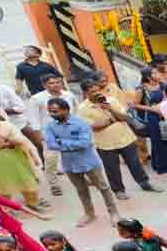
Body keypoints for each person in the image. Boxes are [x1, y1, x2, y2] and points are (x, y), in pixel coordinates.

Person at [42, 97, 117, 226]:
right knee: (81, 190)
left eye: (55, 111)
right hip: (69, 165)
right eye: (50, 111)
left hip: (89, 162)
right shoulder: (50, 126)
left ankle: (114, 213)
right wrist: (71, 144)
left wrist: (62, 141)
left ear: (65, 110)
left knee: (103, 188)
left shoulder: (81, 123)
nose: (52, 114)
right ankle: (89, 214)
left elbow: (84, 143)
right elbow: (51, 145)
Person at [79, 78, 156, 197]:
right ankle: (119, 191)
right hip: (104, 144)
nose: (97, 93)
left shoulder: (111, 100)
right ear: (85, 93)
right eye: (92, 91)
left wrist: (110, 109)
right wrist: (113, 119)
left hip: (125, 138)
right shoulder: (82, 109)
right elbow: (94, 126)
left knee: (135, 163)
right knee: (112, 169)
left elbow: (125, 118)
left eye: (97, 90)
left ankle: (145, 183)